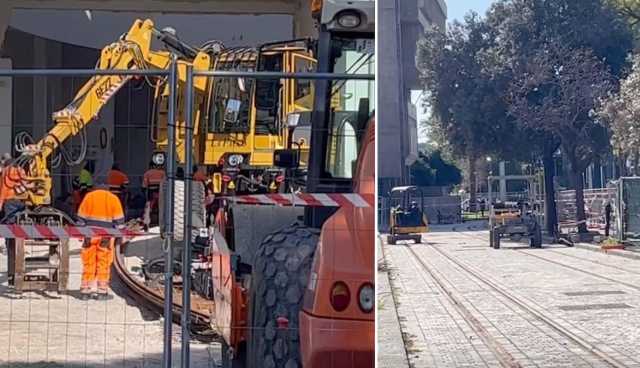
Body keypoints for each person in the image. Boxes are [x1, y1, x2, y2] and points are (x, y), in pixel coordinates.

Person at [77, 185, 125, 300]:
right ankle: (102, 291)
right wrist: (120, 234)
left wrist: (81, 233)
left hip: (89, 235)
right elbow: (120, 221)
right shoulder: (113, 198)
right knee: (103, 262)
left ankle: (85, 290)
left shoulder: (89, 197)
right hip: (106, 237)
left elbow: (80, 219)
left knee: (88, 261)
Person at [142, 161, 166, 230]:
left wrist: (144, 194)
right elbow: (165, 184)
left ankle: (146, 223)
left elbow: (144, 186)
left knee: (149, 208)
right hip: (160, 193)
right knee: (161, 208)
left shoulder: (147, 173)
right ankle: (162, 224)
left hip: (151, 193)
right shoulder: (162, 173)